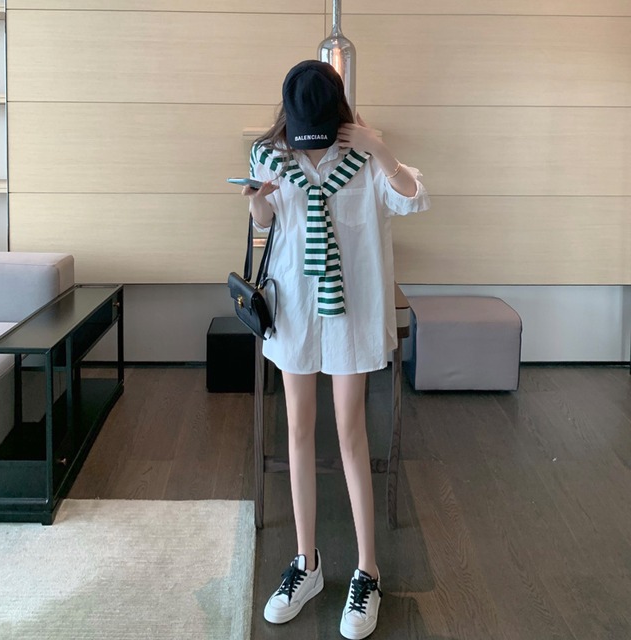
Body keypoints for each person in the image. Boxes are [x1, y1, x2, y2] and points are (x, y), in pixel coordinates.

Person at [238, 60, 430, 639]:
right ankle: (307, 563)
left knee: (350, 432)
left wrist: (382, 149)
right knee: (297, 430)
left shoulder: (365, 156)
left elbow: (413, 198)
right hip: (296, 310)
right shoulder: (270, 155)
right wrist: (257, 203)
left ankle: (367, 570)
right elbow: (266, 225)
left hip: (352, 314)